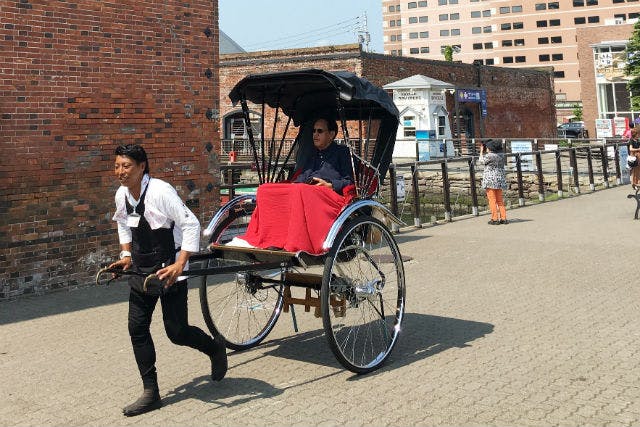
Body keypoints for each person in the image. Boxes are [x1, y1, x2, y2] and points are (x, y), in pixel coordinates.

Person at [108, 144, 227, 417]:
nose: (120, 172)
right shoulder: (121, 195)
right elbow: (124, 223)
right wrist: (126, 255)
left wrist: (180, 263)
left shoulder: (160, 192)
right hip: (141, 270)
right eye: (117, 166)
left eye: (126, 166)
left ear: (141, 167)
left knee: (177, 332)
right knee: (137, 328)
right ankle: (151, 392)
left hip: (169, 269)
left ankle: (214, 348)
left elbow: (191, 224)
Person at [229, 117, 354, 253]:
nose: (315, 134)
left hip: (329, 194)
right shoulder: (314, 154)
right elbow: (303, 176)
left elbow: (349, 181)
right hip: (307, 190)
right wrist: (291, 186)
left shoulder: (342, 153)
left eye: (320, 131)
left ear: (331, 134)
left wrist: (330, 185)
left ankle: (296, 243)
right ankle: (271, 239)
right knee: (265, 189)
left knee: (300, 190)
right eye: (313, 131)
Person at [479, 139, 508, 225]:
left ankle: (494, 219)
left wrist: (481, 152)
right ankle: (503, 218)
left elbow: (481, 161)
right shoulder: (501, 155)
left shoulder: (490, 156)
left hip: (490, 181)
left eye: (487, 147)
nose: (486, 148)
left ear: (490, 148)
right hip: (499, 180)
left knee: (492, 200)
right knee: (499, 200)